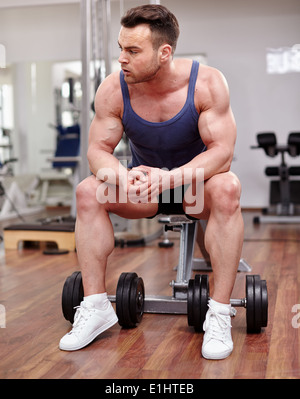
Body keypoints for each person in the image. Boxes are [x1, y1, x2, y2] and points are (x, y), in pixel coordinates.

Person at [59, 4, 244, 360]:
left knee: (228, 186)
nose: (121, 59)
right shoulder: (114, 89)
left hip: (194, 187)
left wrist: (170, 178)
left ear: (164, 53)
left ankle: (219, 314)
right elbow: (98, 149)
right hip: (143, 189)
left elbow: (222, 152)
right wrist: (118, 175)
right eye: (120, 48)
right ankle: (96, 305)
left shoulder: (207, 82)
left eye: (132, 51)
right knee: (87, 190)